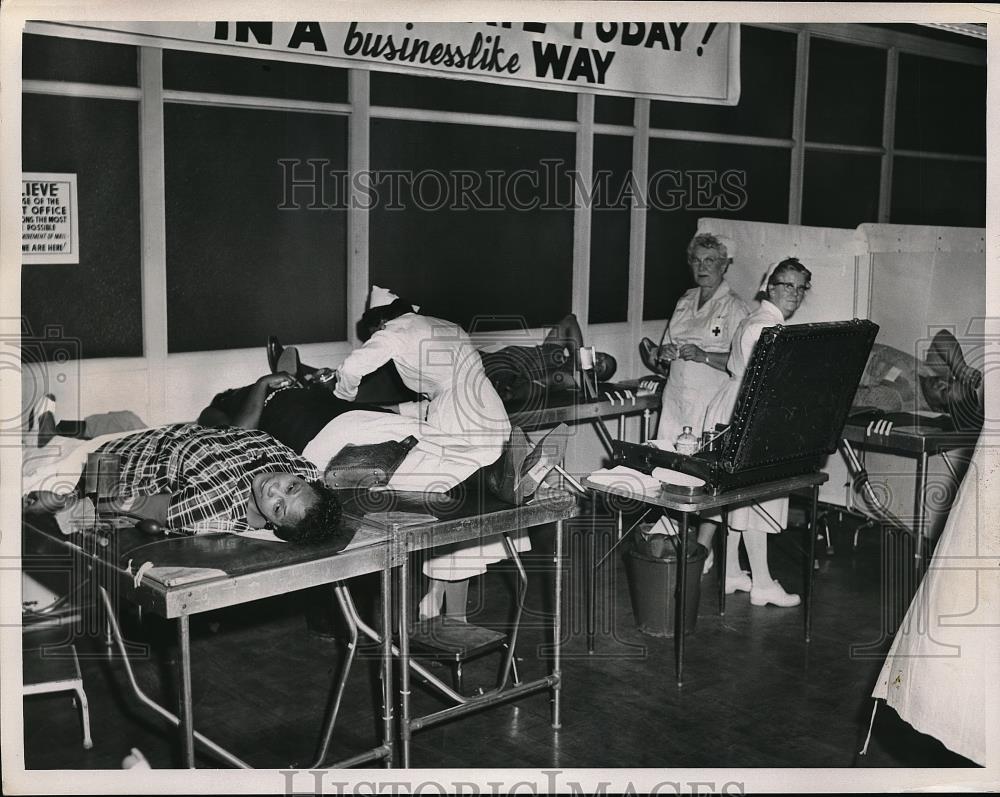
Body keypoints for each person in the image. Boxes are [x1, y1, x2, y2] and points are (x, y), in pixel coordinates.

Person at [701, 257, 814, 608]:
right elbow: (767, 385)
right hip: (747, 413)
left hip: (736, 406)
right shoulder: (764, 326)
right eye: (786, 285)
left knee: (740, 496)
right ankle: (762, 583)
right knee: (757, 497)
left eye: (799, 287)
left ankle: (732, 572)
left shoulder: (763, 320)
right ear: (770, 286)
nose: (793, 293)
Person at [22, 423, 343, 543]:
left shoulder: (213, 512)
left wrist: (69, 500)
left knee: (42, 467)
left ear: (274, 525)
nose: (274, 489)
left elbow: (116, 501)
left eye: (277, 507)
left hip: (112, 459)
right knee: (112, 418)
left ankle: (54, 445)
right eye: (291, 488)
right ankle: (54, 431)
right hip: (157, 433)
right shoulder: (301, 468)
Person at [641, 233, 749, 571]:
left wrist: (703, 355)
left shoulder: (735, 307)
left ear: (724, 265)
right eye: (697, 261)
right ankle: (675, 538)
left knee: (705, 474)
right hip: (676, 398)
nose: (702, 268)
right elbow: (659, 353)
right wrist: (664, 353)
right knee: (671, 468)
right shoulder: (685, 300)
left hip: (710, 399)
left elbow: (743, 360)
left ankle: (703, 548)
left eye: (710, 261)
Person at [852, 330, 984, 430]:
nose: (941, 382)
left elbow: (848, 399)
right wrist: (960, 367)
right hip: (853, 343)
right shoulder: (933, 373)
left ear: (938, 410)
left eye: (944, 391)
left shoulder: (898, 398)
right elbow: (942, 337)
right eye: (950, 380)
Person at [478, 314, 618, 404]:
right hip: (485, 358)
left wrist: (513, 394)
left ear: (595, 377)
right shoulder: (556, 350)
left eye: (601, 367)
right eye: (601, 356)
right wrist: (579, 357)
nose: (598, 360)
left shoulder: (569, 380)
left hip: (494, 376)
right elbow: (570, 320)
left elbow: (540, 385)